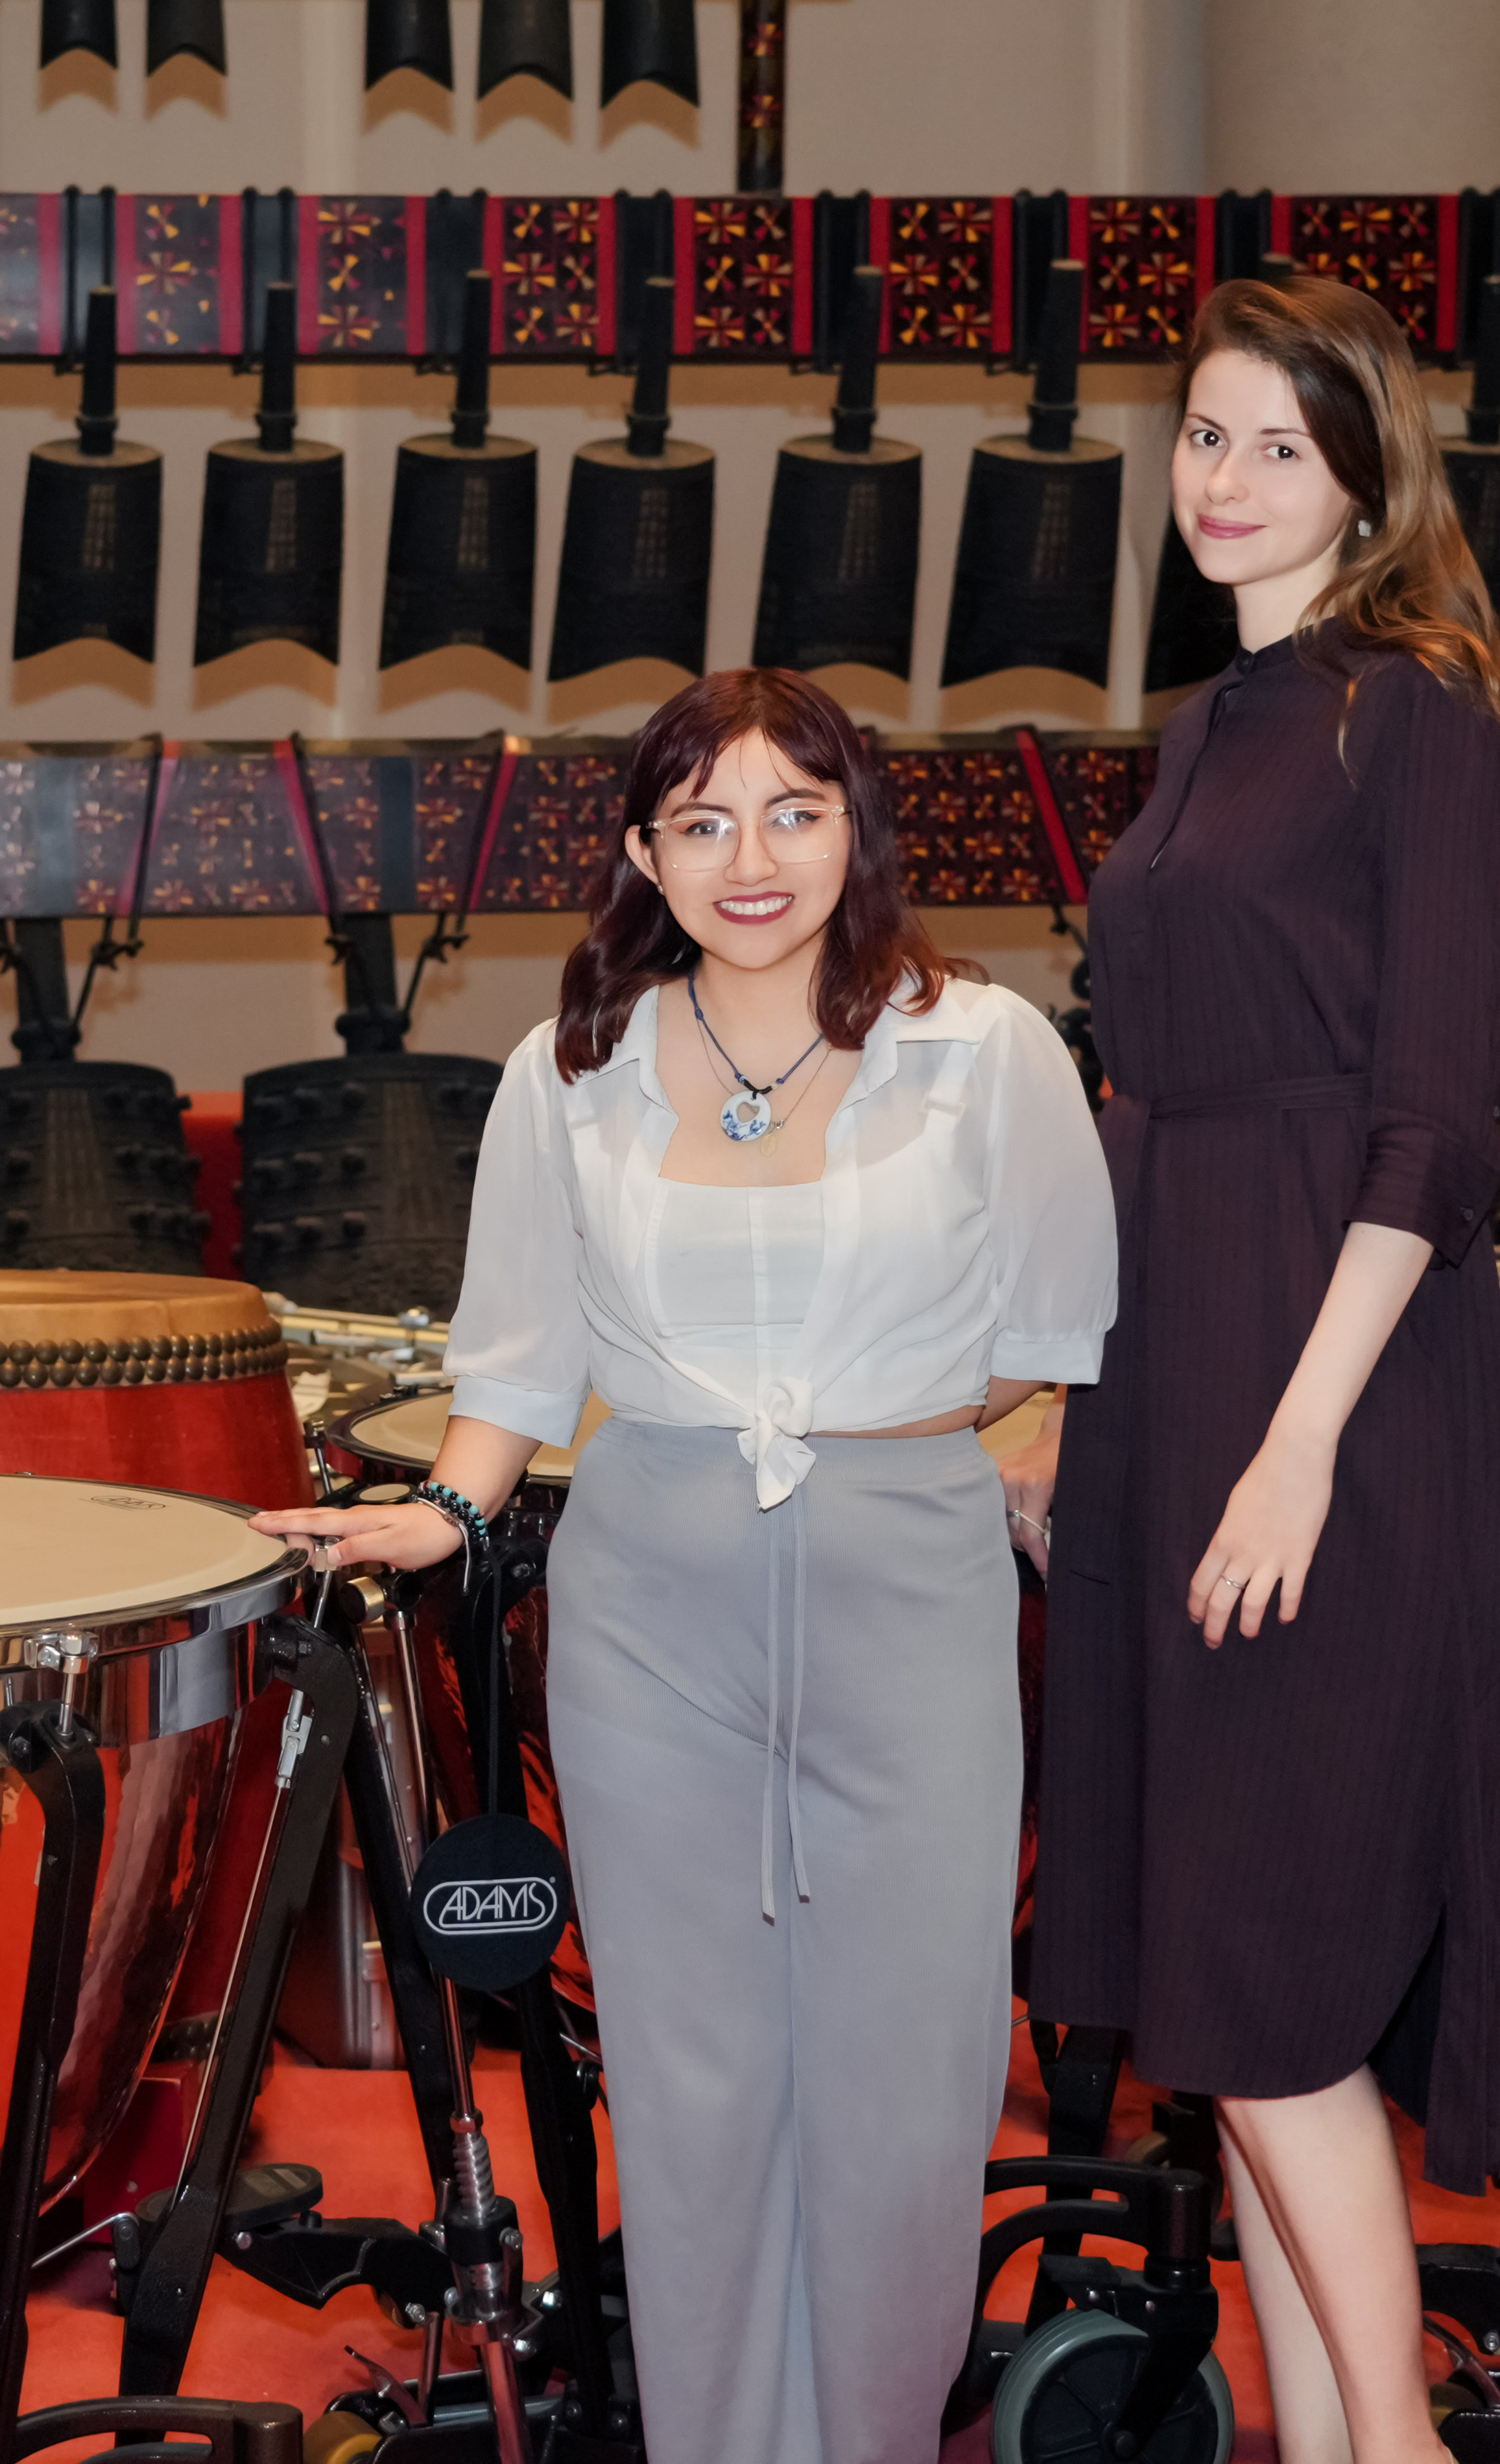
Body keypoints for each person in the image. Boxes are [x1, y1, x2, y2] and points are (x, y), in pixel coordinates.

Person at [253, 669, 1117, 2463]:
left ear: (857, 829)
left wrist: (950, 1440)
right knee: (691, 2085)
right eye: (703, 822)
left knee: (910, 2085)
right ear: (645, 855)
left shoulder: (986, 1051)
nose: (753, 859)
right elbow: (513, 1367)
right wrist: (445, 1514)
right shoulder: (570, 1073)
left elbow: (1055, 1342)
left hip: (911, 1585)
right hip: (649, 1602)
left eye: (795, 812)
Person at [1009, 274, 1500, 2464]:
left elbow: (1436, 1126)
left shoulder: (1406, 710)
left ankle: (1397, 2448)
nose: (1227, 482)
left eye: (1281, 449)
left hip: (1334, 1385)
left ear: (1364, 481)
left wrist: (1300, 1444)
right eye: (1207, 436)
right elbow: (1140, 1089)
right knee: (1223, 2001)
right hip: (1177, 1369)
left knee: (1270, 1986)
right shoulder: (1204, 727)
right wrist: (1070, 1403)